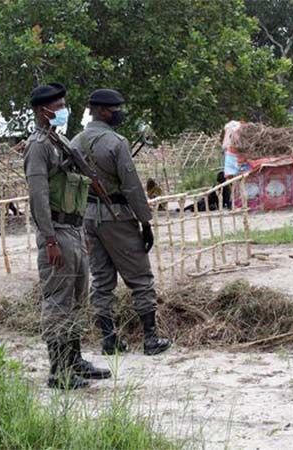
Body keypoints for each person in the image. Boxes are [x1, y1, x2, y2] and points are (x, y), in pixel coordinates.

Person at [71, 88, 171, 356]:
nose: (119, 113)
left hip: (88, 217)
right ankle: (150, 339)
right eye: (116, 109)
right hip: (117, 216)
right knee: (140, 277)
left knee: (102, 280)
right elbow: (132, 187)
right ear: (103, 110)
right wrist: (145, 222)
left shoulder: (75, 142)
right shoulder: (116, 142)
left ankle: (109, 339)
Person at [24, 82, 111, 390]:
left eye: (63, 105)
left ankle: (74, 361)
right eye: (57, 107)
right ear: (41, 110)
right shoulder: (38, 146)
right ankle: (58, 370)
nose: (63, 111)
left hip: (72, 229)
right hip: (56, 232)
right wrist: (48, 239)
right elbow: (38, 195)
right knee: (58, 301)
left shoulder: (58, 142)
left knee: (76, 299)